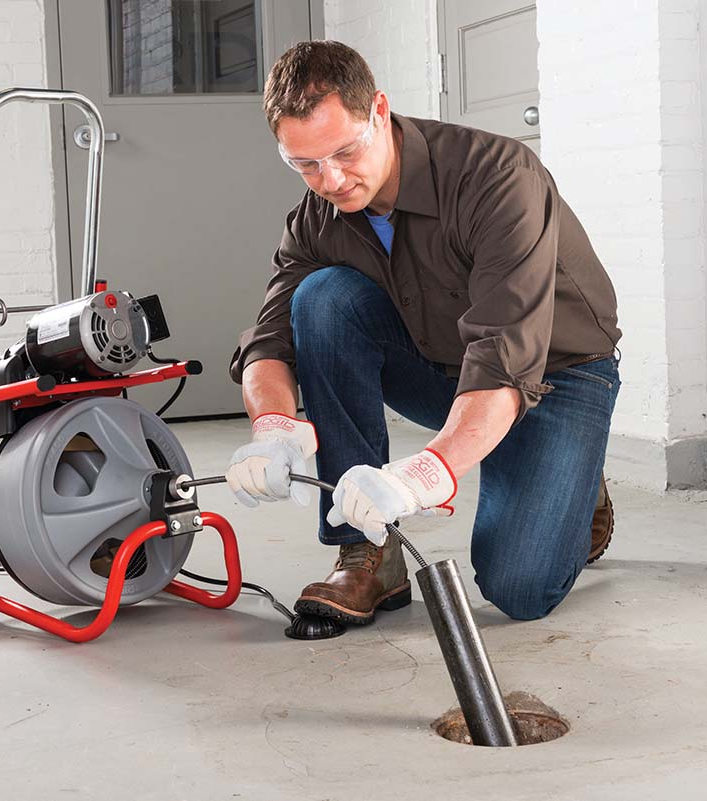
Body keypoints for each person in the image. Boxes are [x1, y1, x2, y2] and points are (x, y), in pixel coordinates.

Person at [225, 40, 621, 625]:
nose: (330, 180)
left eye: (345, 151)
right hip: (444, 367)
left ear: (379, 111)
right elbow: (269, 338)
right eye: (303, 163)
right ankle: (368, 556)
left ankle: (576, 476)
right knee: (323, 299)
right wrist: (273, 427)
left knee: (520, 590)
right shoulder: (317, 217)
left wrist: (425, 474)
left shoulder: (496, 176)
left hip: (559, 374)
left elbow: (503, 351)